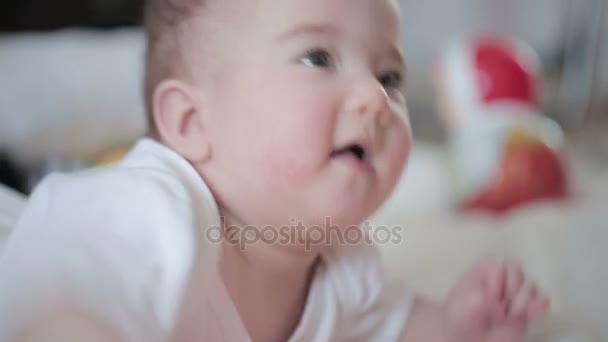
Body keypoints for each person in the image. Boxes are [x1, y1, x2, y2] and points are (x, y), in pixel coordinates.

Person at [0, 0, 549, 341]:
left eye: (390, 76)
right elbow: (56, 307)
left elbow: (391, 328)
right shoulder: (147, 209)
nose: (377, 100)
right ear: (192, 122)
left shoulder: (345, 266)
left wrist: (460, 325)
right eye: (318, 58)